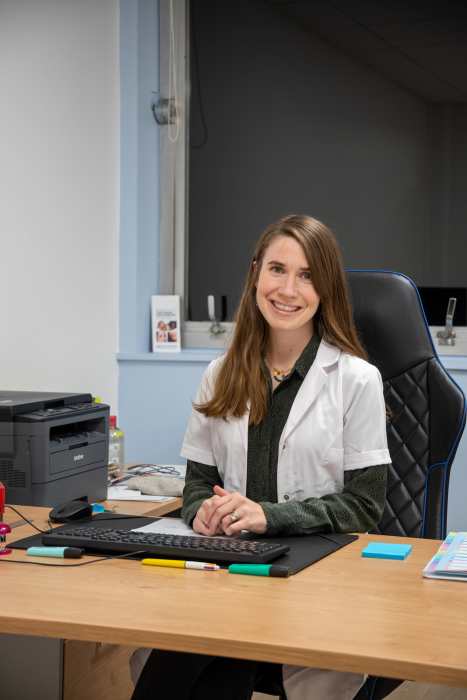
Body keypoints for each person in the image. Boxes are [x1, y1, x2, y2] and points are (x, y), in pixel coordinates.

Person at [132, 214, 391, 700]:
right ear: (256, 274)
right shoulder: (220, 373)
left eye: (307, 274)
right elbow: (195, 484)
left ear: (325, 289)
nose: (288, 289)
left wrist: (265, 516)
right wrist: (202, 512)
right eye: (277, 269)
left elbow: (364, 506)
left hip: (316, 574)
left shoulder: (356, 379)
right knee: (170, 659)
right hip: (230, 570)